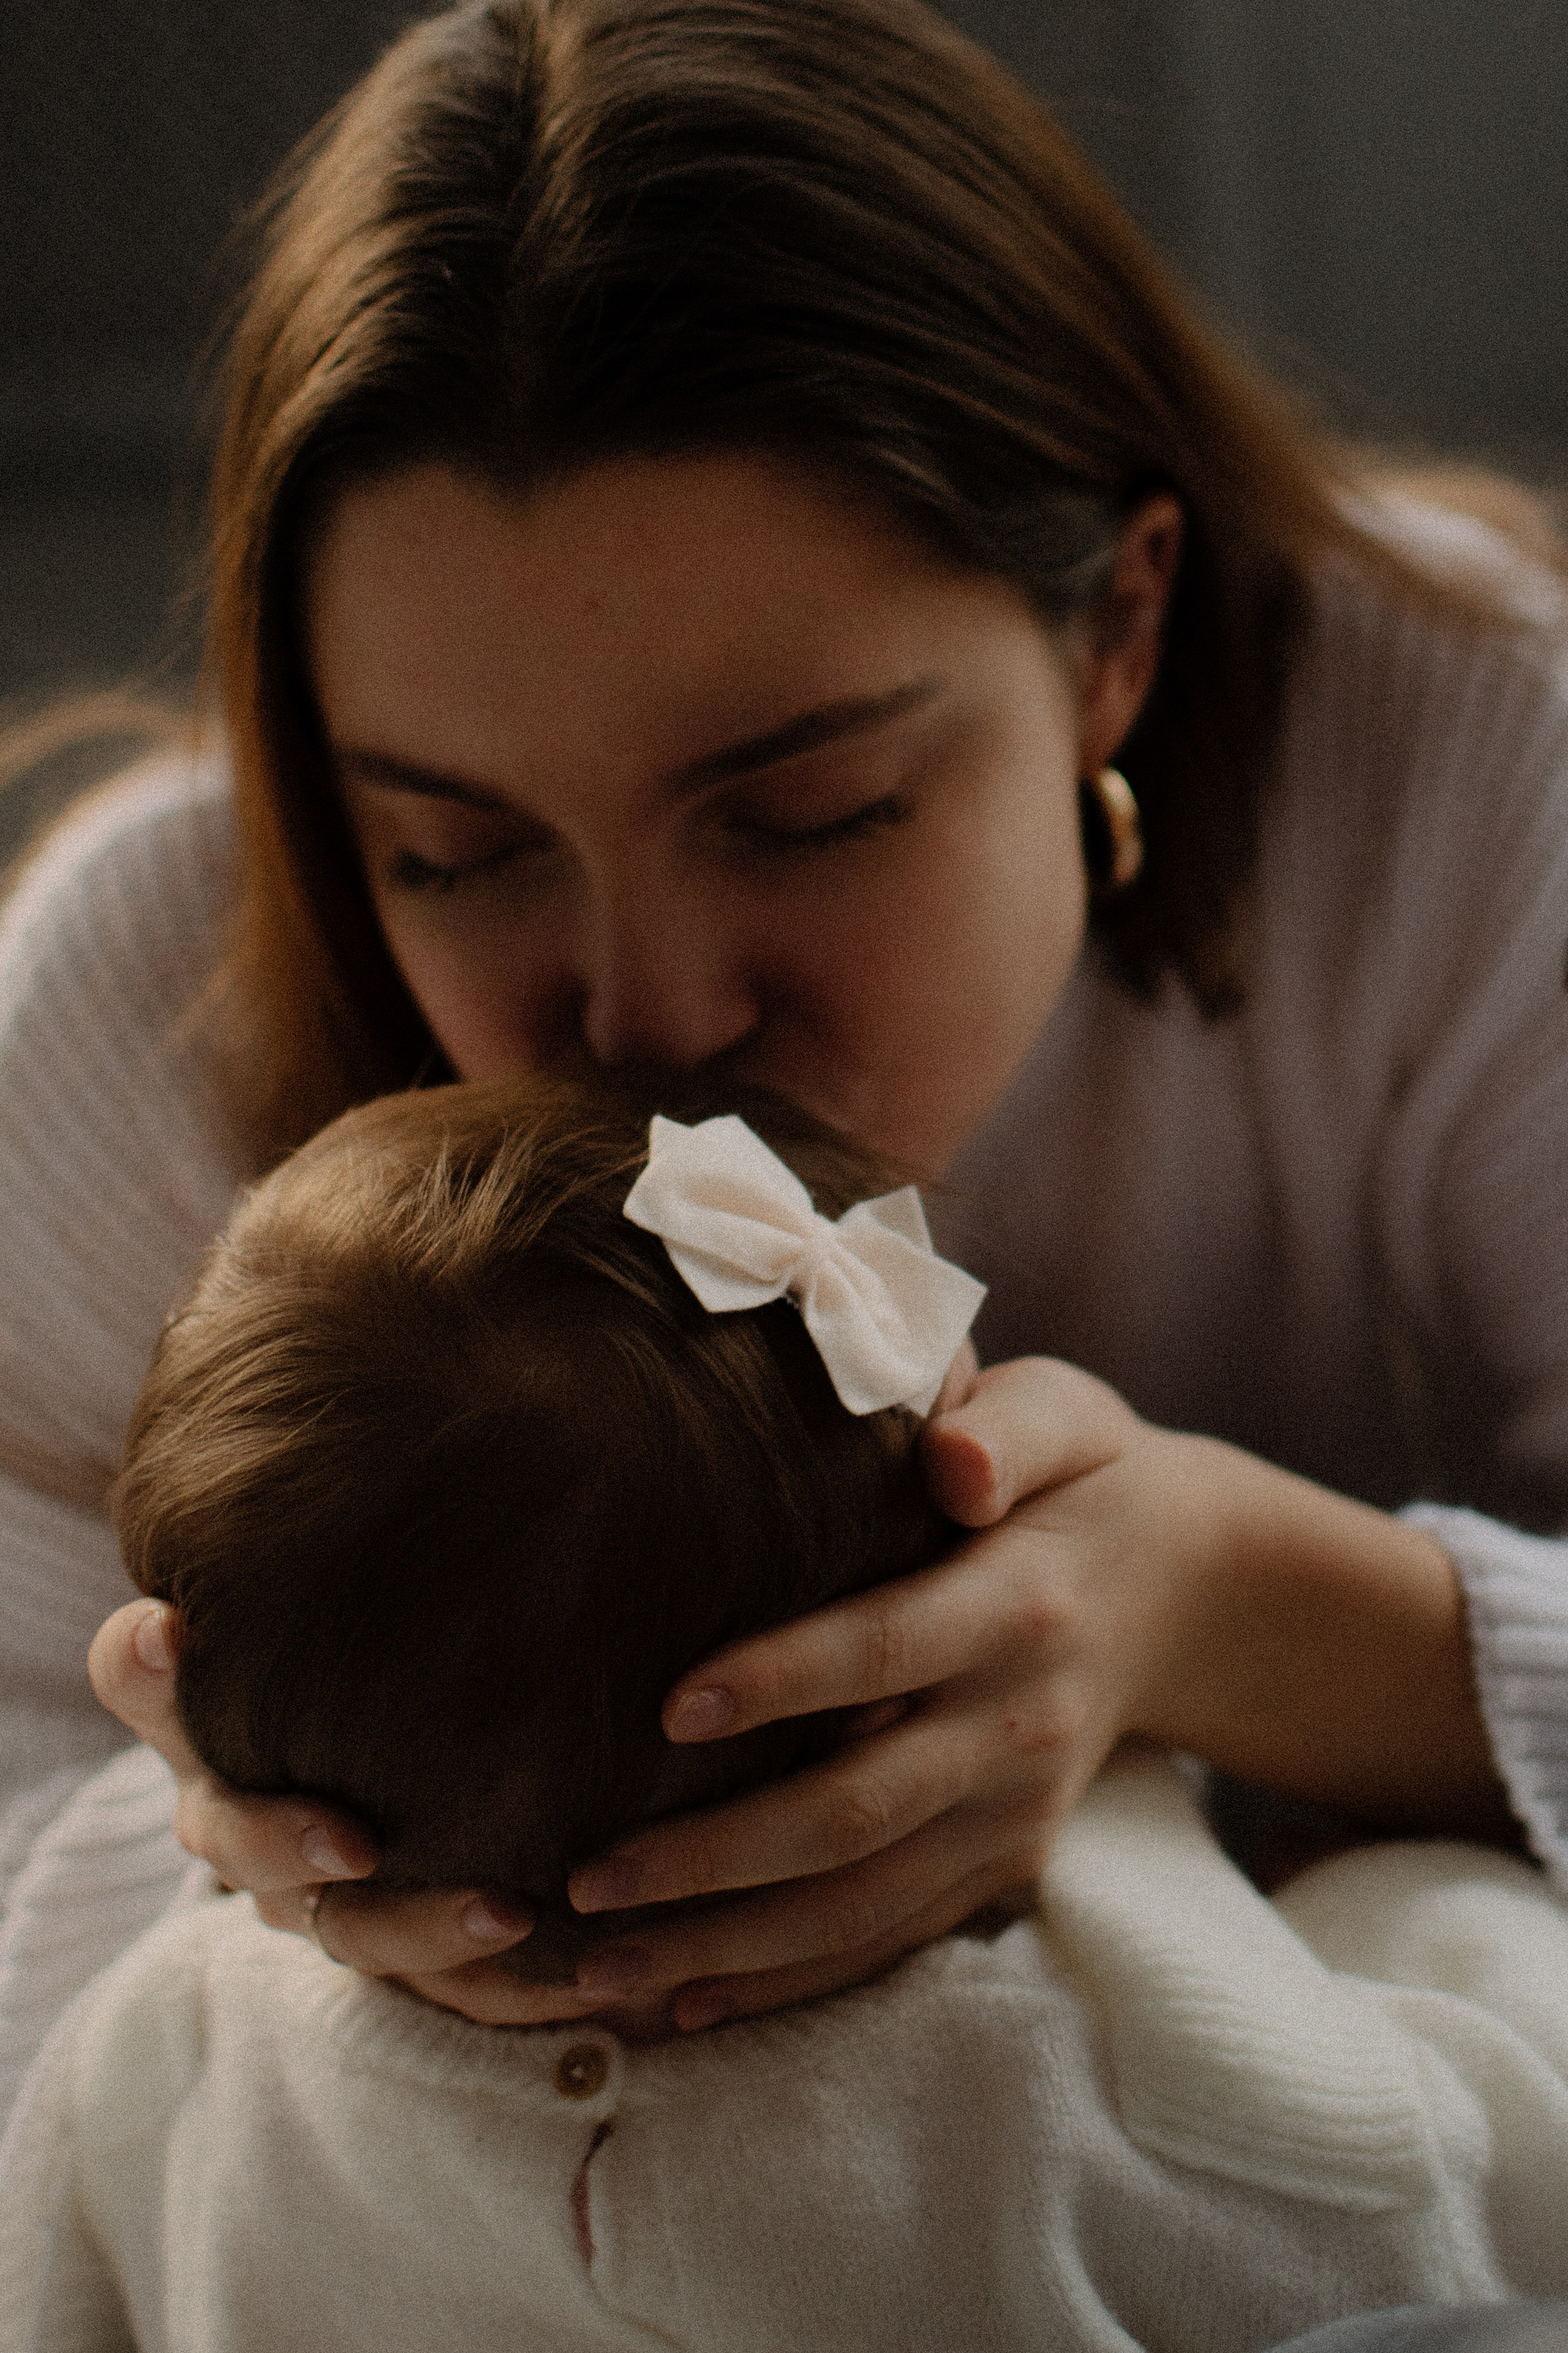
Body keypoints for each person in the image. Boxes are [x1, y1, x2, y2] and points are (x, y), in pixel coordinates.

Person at [1, 0, 1566, 2185]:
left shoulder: (1489, 776)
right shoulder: (135, 995)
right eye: (451, 851)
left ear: (1115, 631)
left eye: (812, 808)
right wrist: (255, 1855)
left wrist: (1236, 1606)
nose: (643, 1017)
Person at [6, 1074, 1568, 2352]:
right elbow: (1499, 2161)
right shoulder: (1177, 2126)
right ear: (910, 1685)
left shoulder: (161, 2054)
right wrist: (1377, 1882)